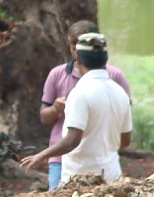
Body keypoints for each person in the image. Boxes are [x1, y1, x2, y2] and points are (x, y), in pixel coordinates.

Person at [22, 32, 132, 186]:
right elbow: (125, 141)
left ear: (77, 59)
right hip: (113, 176)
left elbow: (72, 140)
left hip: (81, 180)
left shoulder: (80, 93)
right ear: (105, 59)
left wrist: (41, 155)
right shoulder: (120, 93)